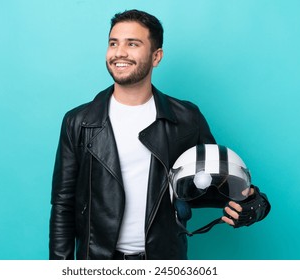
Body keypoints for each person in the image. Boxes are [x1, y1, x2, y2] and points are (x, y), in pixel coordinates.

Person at [49, 9, 270, 260]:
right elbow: (63, 206)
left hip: (165, 261)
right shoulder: (78, 122)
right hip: (97, 261)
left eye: (132, 44)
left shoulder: (187, 118)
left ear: (156, 56)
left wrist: (253, 203)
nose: (119, 52)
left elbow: (212, 183)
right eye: (113, 43)